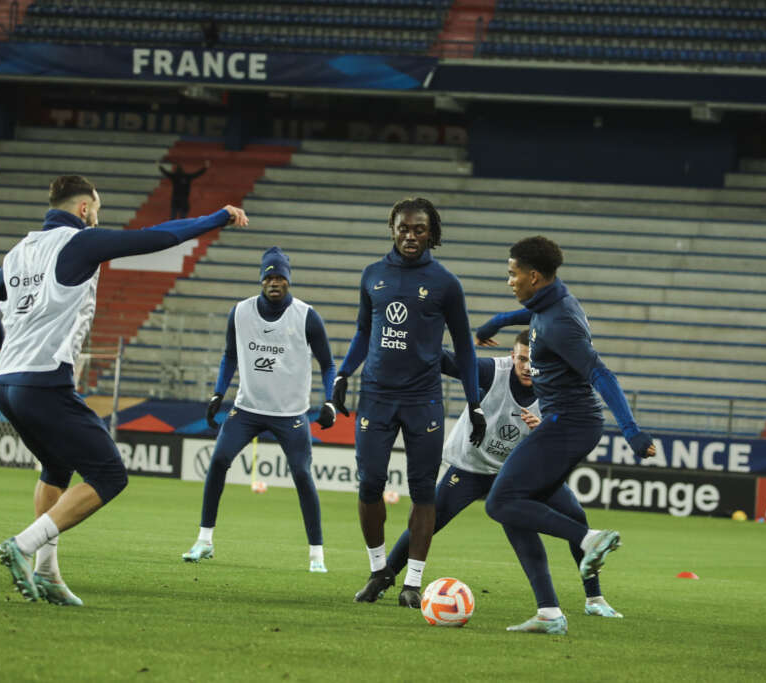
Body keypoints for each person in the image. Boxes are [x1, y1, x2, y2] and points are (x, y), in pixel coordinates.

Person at [0, 174, 247, 606]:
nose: (97, 215)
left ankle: (48, 574)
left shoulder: (20, 251)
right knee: (109, 475)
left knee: (56, 468)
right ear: (84, 208)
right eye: (96, 208)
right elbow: (157, 238)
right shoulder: (79, 242)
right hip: (45, 381)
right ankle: (22, 547)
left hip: (8, 384)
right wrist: (217, 217)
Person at [478, 236, 655, 635]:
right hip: (568, 424)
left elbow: (601, 374)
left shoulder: (559, 322)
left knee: (500, 501)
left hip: (568, 424)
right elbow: (534, 319)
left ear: (534, 276)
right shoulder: (553, 304)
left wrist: (632, 431)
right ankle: (552, 612)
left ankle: (589, 539)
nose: (510, 280)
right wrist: (498, 322)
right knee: (516, 510)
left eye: (513, 273)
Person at [384, 331, 623, 618]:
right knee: (426, 523)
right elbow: (448, 362)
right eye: (521, 358)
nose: (526, 366)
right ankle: (384, 576)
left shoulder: (560, 388)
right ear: (512, 356)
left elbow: (567, 433)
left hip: (521, 474)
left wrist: (547, 428)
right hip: (472, 466)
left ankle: (594, 598)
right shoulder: (492, 371)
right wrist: (414, 341)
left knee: (576, 516)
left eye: (533, 361)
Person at [331, 197, 485, 608]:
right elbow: (364, 332)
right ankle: (379, 570)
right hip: (376, 397)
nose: (410, 235)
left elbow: (465, 351)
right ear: (392, 228)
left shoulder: (446, 284)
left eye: (419, 229)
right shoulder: (372, 276)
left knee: (423, 491)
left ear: (431, 233)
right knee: (369, 485)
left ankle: (413, 583)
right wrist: (342, 374)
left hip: (423, 400)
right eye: (403, 228)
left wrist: (475, 403)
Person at [182, 247, 337, 572]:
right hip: (248, 409)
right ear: (261, 279)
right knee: (219, 460)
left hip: (291, 413)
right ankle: (204, 540)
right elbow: (230, 356)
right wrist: (217, 393)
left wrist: (330, 400)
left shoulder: (307, 316)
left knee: (301, 474)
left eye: (280, 276)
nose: (274, 282)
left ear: (288, 281)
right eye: (269, 276)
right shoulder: (240, 312)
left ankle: (316, 554)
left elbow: (327, 363)